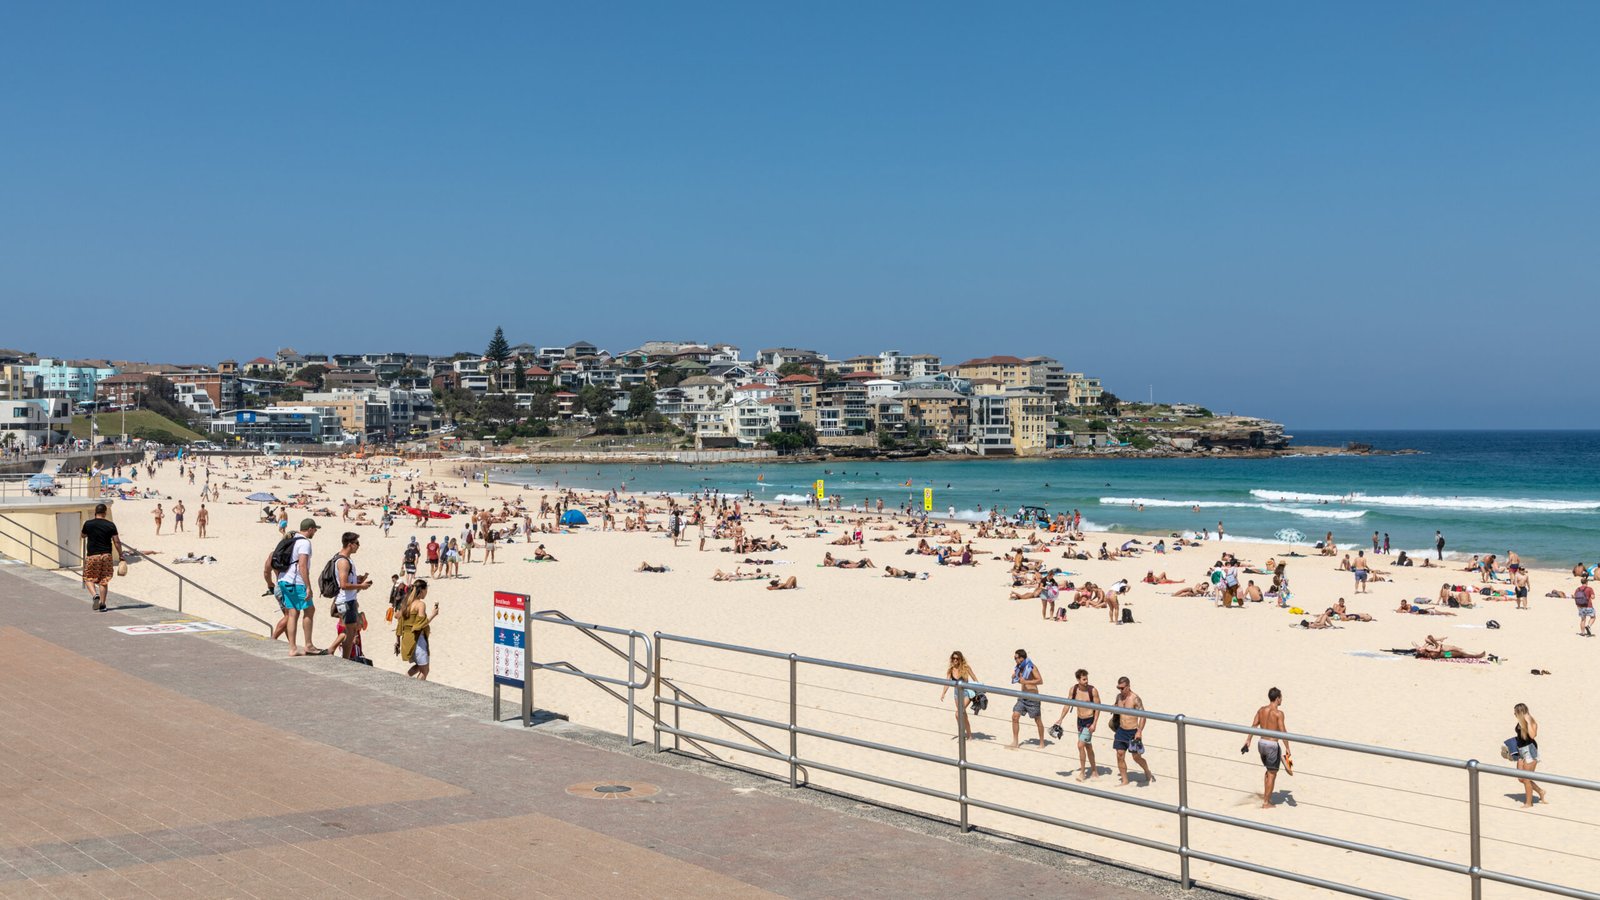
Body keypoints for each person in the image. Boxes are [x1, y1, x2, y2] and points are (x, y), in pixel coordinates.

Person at [272, 519, 323, 657]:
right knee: (309, 610)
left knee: (293, 613)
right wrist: (308, 587)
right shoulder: (304, 543)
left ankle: (293, 648)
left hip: (283, 580)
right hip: (296, 582)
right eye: (315, 529)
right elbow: (302, 566)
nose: (316, 532)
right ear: (310, 529)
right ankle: (308, 645)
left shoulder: (292, 538)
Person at [1241, 687, 1291, 809]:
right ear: (1277, 698)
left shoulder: (1261, 710)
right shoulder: (1279, 713)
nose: (1282, 700)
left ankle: (1266, 798)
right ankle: (1266, 803)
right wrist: (1287, 748)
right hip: (1272, 745)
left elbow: (1253, 725)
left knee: (1268, 772)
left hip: (1261, 744)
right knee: (1272, 774)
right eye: (1281, 698)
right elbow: (1283, 731)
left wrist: (1248, 740)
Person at [326, 532, 372, 661]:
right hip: (346, 601)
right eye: (357, 543)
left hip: (348, 600)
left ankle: (333, 651)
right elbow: (344, 585)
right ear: (350, 544)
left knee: (350, 630)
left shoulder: (346, 559)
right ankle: (345, 660)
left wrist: (358, 580)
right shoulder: (343, 562)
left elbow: (347, 581)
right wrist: (361, 586)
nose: (359, 546)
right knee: (351, 632)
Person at [1052, 669, 1099, 780]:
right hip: (1080, 721)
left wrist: (1094, 724)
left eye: (1087, 678)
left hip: (1089, 721)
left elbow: (1098, 708)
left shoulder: (1093, 691)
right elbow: (1067, 705)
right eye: (1084, 679)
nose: (1086, 681)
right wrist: (1060, 719)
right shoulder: (1073, 690)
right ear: (1078, 680)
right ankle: (1094, 771)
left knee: (1080, 745)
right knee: (1088, 746)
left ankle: (1083, 773)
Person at [1111, 676, 1155, 786]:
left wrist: (1139, 731)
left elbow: (1143, 716)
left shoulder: (1135, 698)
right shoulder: (1119, 697)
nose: (1120, 690)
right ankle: (1125, 780)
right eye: (1118, 688)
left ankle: (1147, 771)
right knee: (1119, 754)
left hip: (1133, 731)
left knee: (1136, 757)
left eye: (1122, 688)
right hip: (1121, 730)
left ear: (1128, 686)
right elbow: (1116, 707)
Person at [79, 502, 123, 612]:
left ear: (95, 512)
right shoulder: (110, 525)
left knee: (88, 578)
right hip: (106, 555)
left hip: (93, 555)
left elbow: (83, 535)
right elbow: (117, 541)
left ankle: (95, 595)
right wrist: (121, 555)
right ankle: (103, 604)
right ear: (105, 513)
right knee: (104, 580)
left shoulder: (88, 524)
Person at [394, 579, 440, 679]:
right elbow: (420, 624)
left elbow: (399, 624)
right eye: (426, 591)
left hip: (407, 640)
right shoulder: (420, 604)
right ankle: (414, 691)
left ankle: (404, 681)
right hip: (417, 639)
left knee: (419, 666)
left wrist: (397, 641)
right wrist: (433, 614)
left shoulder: (406, 603)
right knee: (425, 670)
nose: (426, 593)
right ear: (422, 590)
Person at [1007, 649, 1045, 749]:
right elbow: (1020, 680)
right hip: (1022, 697)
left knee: (1038, 720)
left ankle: (1042, 742)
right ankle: (1015, 741)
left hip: (1033, 697)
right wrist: (1015, 677)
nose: (1014, 660)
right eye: (1014, 658)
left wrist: (1026, 682)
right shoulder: (1019, 668)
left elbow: (1040, 680)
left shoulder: (1032, 667)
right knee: (1015, 716)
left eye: (1016, 658)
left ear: (1021, 658)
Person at [1512, 703, 1547, 808]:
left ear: (1521, 712)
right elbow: (1521, 736)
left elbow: (1532, 735)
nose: (1514, 714)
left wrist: (1527, 721)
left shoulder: (1531, 721)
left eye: (1515, 712)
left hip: (1529, 751)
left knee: (1527, 779)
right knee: (1521, 778)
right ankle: (1541, 791)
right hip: (1521, 750)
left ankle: (1529, 803)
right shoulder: (1520, 721)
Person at [939, 651, 979, 740]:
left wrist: (978, 691)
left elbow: (974, 678)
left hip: (967, 692)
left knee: (958, 713)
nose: (955, 660)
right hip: (956, 693)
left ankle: (962, 732)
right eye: (953, 658)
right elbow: (947, 682)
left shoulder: (966, 668)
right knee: (963, 714)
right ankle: (969, 735)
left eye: (957, 658)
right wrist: (943, 693)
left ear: (961, 659)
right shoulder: (950, 670)